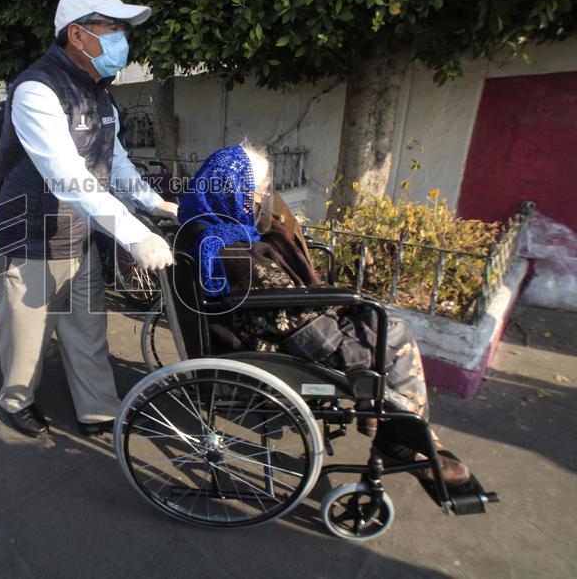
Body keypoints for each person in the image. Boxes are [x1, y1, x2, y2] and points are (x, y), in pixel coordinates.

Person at [175, 144, 471, 485]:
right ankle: (402, 442)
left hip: (261, 331)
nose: (262, 198)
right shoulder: (232, 251)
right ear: (235, 190)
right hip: (272, 351)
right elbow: (298, 324)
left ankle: (399, 437)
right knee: (392, 330)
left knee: (380, 322)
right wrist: (344, 328)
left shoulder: (205, 228)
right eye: (258, 190)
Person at [0, 0, 180, 438]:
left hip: (80, 230)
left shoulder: (99, 91)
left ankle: (98, 409)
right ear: (78, 35)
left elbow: (113, 161)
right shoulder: (36, 89)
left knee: (87, 329)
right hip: (31, 234)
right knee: (27, 337)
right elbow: (66, 175)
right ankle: (16, 400)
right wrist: (134, 234)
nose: (122, 39)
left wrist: (155, 204)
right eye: (112, 28)